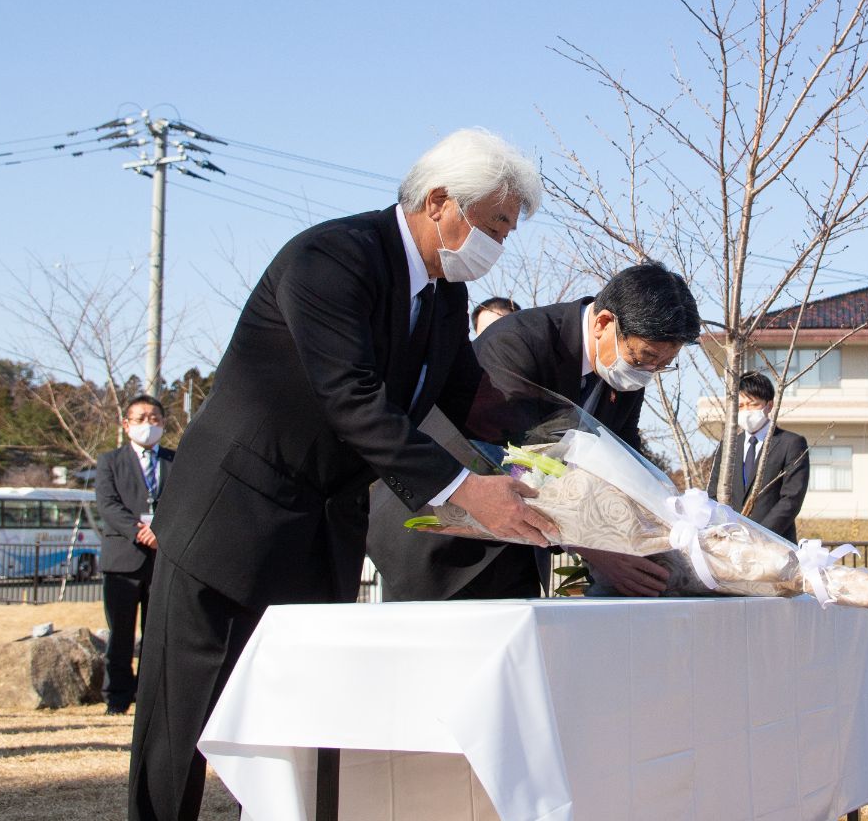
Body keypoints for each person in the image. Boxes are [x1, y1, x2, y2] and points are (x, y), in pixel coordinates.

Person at [128, 128, 553, 821]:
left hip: (324, 526)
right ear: (441, 202)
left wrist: (564, 449)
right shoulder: (332, 257)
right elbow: (352, 397)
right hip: (232, 518)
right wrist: (465, 492)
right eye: (496, 225)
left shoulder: (444, 295)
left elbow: (470, 396)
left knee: (304, 723)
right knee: (184, 724)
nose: (500, 245)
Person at [370, 262, 700, 600]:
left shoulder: (626, 375)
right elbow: (523, 455)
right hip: (443, 541)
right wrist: (597, 548)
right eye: (644, 357)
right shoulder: (519, 340)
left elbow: (624, 456)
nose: (647, 372)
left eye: (662, 365)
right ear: (603, 323)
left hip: (519, 549)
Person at [95, 395, 174, 715]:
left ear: (164, 423)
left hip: (163, 557)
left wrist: (161, 531)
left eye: (154, 418)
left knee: (158, 632)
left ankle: (151, 695)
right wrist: (138, 530)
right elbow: (108, 505)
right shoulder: (109, 461)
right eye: (140, 418)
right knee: (121, 633)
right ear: (126, 425)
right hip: (122, 559)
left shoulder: (176, 460)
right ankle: (117, 696)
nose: (148, 424)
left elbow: (184, 501)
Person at [705, 371, 810, 542]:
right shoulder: (728, 445)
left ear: (769, 406)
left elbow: (791, 500)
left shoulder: (791, 444)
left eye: (752, 404)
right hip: (731, 542)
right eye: (740, 406)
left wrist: (758, 535)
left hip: (774, 542)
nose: (746, 411)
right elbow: (713, 494)